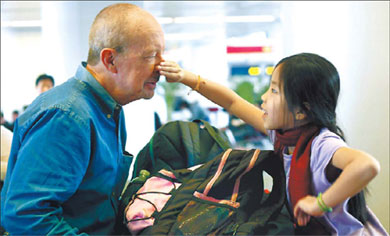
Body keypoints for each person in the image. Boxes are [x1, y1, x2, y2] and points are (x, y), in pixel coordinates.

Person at [157, 53, 388, 235]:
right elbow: (232, 101)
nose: (264, 97)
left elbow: (366, 165)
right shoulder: (283, 136)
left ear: (301, 111)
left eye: (275, 90)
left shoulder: (322, 144)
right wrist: (185, 77)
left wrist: (319, 203)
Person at [1, 3, 164, 235]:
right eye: (150, 56)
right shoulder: (67, 117)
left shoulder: (108, 109)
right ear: (110, 60)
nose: (162, 67)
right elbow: (27, 216)